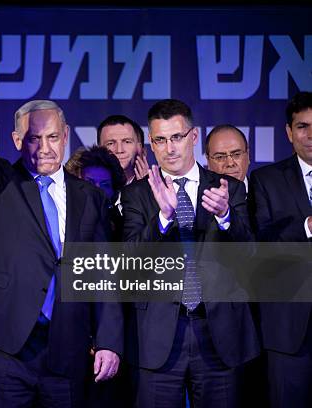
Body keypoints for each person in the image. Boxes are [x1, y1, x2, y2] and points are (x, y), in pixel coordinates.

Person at [0, 49, 123, 407]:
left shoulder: (90, 197)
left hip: (68, 344)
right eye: (33, 138)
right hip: (7, 343)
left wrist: (108, 340)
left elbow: (103, 272)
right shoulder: (0, 183)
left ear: (66, 136)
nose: (44, 148)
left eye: (53, 138)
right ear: (16, 141)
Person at [121, 99, 259, 407]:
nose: (169, 148)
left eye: (176, 137)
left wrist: (225, 218)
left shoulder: (228, 188)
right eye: (160, 139)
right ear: (151, 143)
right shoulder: (137, 194)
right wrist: (163, 218)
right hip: (158, 334)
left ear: (193, 137)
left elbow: (249, 254)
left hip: (219, 331)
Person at [249, 91, 312, 407]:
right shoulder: (266, 180)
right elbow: (261, 244)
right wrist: (306, 228)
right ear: (289, 132)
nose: (311, 135)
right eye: (303, 126)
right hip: (290, 330)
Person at [65, 145, 126, 238]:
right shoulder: (60, 219)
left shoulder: (122, 228)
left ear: (114, 192)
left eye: (105, 185)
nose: (97, 190)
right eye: (89, 182)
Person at [97, 114, 149, 185]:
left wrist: (146, 189)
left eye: (127, 142)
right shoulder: (87, 189)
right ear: (98, 152)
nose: (119, 150)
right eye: (110, 143)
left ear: (142, 151)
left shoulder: (161, 189)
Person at [206, 124, 250, 191]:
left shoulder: (264, 195)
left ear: (248, 156)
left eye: (236, 154)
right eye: (220, 157)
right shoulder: (197, 198)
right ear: (208, 161)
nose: (230, 163)